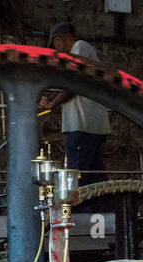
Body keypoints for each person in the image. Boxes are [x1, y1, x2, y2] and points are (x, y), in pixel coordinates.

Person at [39, 22, 111, 174]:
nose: (55, 51)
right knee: (94, 178)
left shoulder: (80, 47)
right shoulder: (83, 50)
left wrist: (52, 103)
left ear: (61, 38)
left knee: (76, 177)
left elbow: (75, 82)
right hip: (89, 126)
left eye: (54, 45)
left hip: (81, 125)